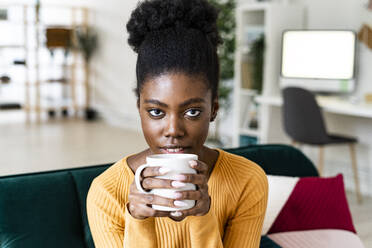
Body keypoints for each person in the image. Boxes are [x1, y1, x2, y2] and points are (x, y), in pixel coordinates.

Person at [86, 0, 268, 247]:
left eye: (192, 111)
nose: (173, 130)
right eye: (156, 112)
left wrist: (202, 216)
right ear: (139, 107)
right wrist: (138, 219)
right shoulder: (107, 193)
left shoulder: (247, 181)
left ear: (213, 109)